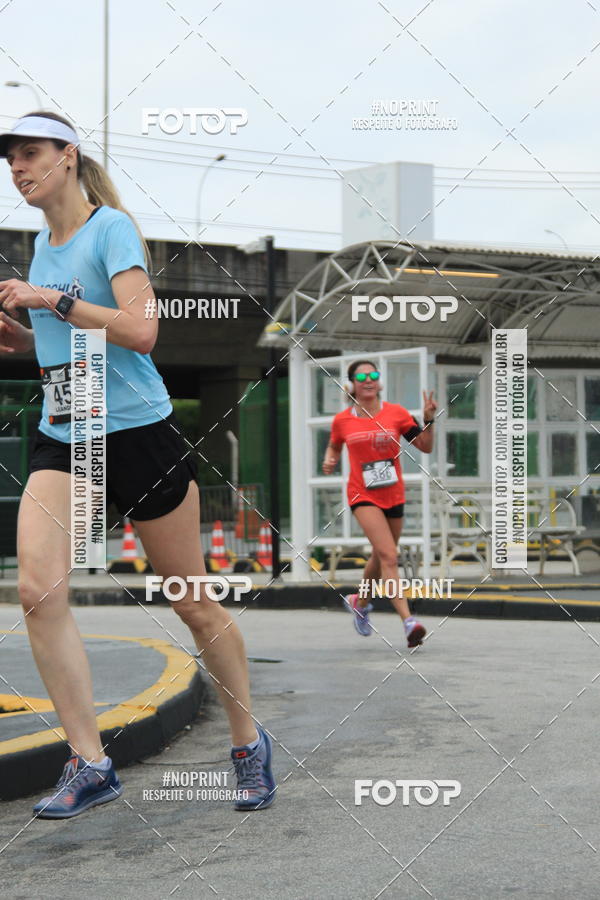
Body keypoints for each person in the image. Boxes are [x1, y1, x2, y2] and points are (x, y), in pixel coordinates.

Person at [0, 112, 275, 818]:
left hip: (138, 434)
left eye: (30, 155)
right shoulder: (42, 242)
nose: (17, 169)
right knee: (37, 590)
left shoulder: (111, 229)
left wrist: (48, 299)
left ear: (68, 156)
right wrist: (27, 340)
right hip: (66, 432)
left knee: (189, 598)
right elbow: (76, 344)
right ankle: (90, 762)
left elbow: (141, 331)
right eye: (11, 161)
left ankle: (247, 741)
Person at [322, 359, 436, 647]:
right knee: (389, 556)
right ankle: (409, 621)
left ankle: (360, 602)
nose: (368, 380)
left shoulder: (396, 414)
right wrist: (331, 458)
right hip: (362, 494)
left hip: (393, 493)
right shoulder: (342, 420)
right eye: (361, 376)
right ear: (352, 384)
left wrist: (429, 420)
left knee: (380, 554)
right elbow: (335, 442)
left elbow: (425, 446)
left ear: (379, 381)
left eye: (373, 374)